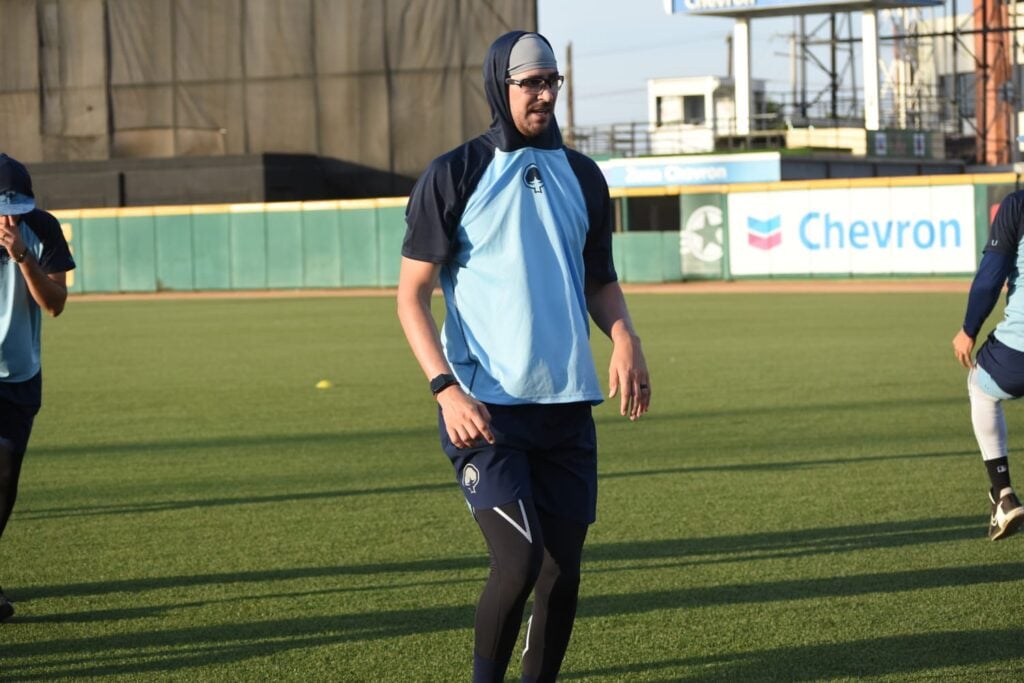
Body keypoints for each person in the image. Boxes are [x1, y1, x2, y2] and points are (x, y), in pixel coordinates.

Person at [396, 30, 651, 682]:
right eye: (528, 83)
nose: (542, 94)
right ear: (499, 86)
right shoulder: (455, 174)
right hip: (487, 411)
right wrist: (444, 388)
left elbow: (600, 281)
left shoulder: (586, 177)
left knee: (562, 572)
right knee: (519, 560)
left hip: (567, 407)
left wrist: (625, 336)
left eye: (550, 82)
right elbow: (411, 296)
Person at [0, 153, 75, 621]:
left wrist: (21, 256)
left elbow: (55, 305)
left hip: (19, 374)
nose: (10, 216)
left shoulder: (42, 228)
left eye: (16, 204)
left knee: (4, 484)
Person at [953, 190, 1024, 541]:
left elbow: (989, 280)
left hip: (1019, 354)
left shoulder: (1017, 205)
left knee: (979, 386)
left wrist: (968, 330)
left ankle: (1003, 495)